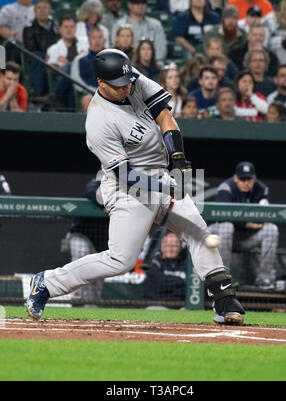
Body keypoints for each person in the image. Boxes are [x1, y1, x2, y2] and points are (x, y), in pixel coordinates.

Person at [26, 48, 245, 326]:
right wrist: (164, 190)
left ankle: (224, 301)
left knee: (197, 230)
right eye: (119, 85)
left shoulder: (133, 80)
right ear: (101, 83)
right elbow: (125, 174)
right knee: (121, 260)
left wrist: (178, 158)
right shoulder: (98, 121)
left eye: (128, 80)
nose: (127, 87)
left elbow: (165, 117)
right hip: (126, 186)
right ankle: (47, 282)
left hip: (159, 173)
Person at [209, 161, 279, 290]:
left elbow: (265, 217)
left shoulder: (261, 188)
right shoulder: (226, 187)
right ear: (236, 178)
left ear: (254, 178)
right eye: (243, 179)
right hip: (221, 236)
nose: (246, 182)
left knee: (272, 229)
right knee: (227, 226)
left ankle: (264, 278)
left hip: (245, 238)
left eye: (249, 179)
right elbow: (222, 217)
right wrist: (249, 223)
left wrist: (246, 223)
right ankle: (224, 279)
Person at [62, 178, 106, 305]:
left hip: (102, 241)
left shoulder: (127, 189)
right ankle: (76, 299)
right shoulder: (99, 181)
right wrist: (112, 201)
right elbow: (92, 193)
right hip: (81, 234)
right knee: (81, 254)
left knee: (99, 273)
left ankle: (92, 303)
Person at [23, 0, 60, 96]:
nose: (42, 11)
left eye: (45, 8)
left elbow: (60, 43)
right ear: (35, 11)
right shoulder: (29, 28)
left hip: (55, 57)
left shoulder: (56, 26)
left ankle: (56, 95)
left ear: (50, 11)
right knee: (38, 57)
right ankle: (39, 94)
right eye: (39, 8)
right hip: (37, 59)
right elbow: (30, 48)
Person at [71, 27, 106, 113]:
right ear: (89, 40)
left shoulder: (112, 58)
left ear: (104, 40)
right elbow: (76, 81)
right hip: (88, 93)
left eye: (99, 37)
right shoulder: (79, 59)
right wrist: (94, 91)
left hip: (109, 94)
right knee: (88, 101)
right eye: (94, 38)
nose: (97, 41)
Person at [143, 232, 187, 301]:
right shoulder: (154, 262)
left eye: (174, 246)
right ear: (162, 247)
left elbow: (190, 288)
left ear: (180, 248)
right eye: (167, 245)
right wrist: (182, 281)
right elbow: (160, 283)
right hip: (157, 303)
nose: (170, 249)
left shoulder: (186, 263)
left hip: (181, 305)